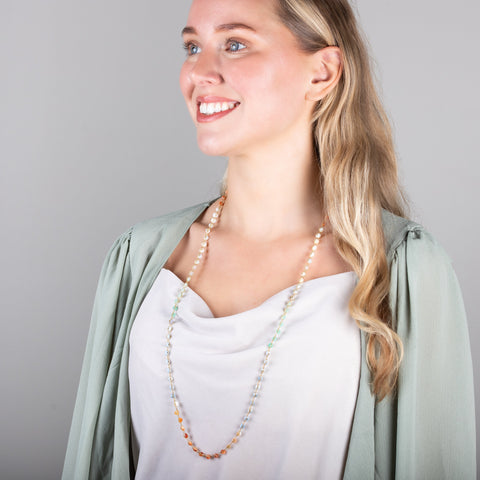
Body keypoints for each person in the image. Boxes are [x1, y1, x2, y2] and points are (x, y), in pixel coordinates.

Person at [62, 0, 476, 478]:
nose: (200, 71)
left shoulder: (403, 268)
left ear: (321, 73)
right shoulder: (139, 259)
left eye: (235, 44)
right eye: (192, 46)